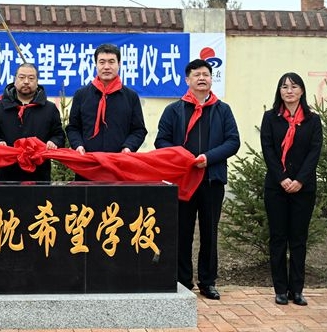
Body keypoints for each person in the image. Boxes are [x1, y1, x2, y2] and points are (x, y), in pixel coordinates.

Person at [154, 58, 240, 300]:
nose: (202, 78)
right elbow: (161, 141)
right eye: (196, 75)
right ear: (187, 80)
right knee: (182, 232)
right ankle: (183, 280)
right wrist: (183, 158)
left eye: (206, 74)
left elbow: (233, 141)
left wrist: (208, 158)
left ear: (211, 79)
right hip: (183, 180)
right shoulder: (174, 110)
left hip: (212, 180)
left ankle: (208, 281)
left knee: (209, 232)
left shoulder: (223, 110)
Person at [260, 72, 322, 306]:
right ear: (279, 91)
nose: (289, 91)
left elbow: (314, 152)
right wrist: (282, 178)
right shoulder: (270, 118)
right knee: (278, 238)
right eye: (284, 87)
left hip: (303, 188)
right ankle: (280, 289)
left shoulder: (312, 120)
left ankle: (297, 290)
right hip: (276, 187)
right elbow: (268, 149)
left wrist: (300, 180)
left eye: (294, 86)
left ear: (302, 91)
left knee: (298, 239)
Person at [66, 43, 147, 177]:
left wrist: (128, 147)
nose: (107, 67)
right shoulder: (81, 95)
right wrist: (78, 145)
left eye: (111, 62)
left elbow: (139, 130)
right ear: (96, 65)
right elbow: (73, 128)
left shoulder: (130, 97)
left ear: (119, 64)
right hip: (87, 166)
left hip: (119, 166)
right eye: (102, 62)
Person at [0, 63, 65, 181]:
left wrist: (53, 142)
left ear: (37, 82)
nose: (26, 81)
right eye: (22, 77)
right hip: (7, 173)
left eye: (31, 78)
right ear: (15, 80)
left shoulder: (49, 108)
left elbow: (59, 135)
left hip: (40, 174)